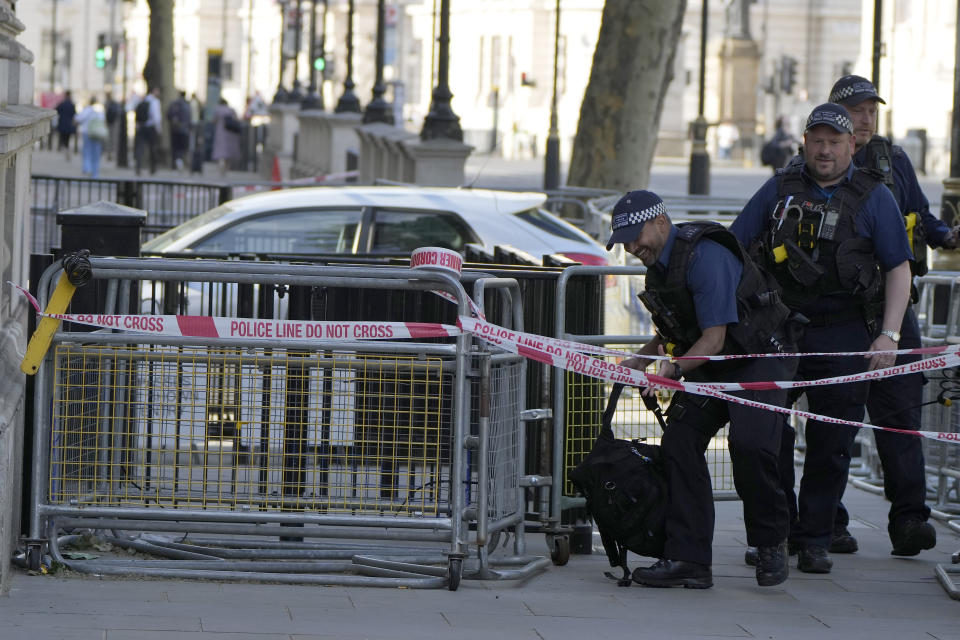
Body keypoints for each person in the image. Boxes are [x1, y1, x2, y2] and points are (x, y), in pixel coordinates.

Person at [731, 103, 912, 574]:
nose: (826, 150)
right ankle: (775, 532)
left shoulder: (875, 197)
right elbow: (733, 247)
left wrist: (889, 336)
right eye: (818, 140)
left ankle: (814, 537)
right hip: (780, 330)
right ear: (805, 143)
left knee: (832, 444)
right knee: (763, 437)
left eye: (836, 141)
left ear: (852, 145)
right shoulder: (778, 189)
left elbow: (898, 268)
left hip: (845, 332)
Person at [608, 189, 799, 589]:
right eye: (623, 240)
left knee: (750, 445)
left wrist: (673, 368)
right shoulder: (658, 266)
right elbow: (673, 331)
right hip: (712, 362)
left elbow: (713, 338)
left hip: (759, 357)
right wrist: (641, 361)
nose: (630, 246)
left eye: (634, 235)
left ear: (660, 222)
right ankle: (688, 557)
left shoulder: (704, 257)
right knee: (680, 442)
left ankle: (770, 542)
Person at [824, 74, 953, 556]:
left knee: (901, 418)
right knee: (834, 423)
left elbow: (921, 215)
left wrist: (949, 237)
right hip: (839, 315)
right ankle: (827, 521)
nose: (864, 117)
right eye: (856, 109)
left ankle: (909, 521)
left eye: (870, 110)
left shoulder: (893, 160)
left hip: (897, 312)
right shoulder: (818, 163)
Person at [74, 96, 107, 178]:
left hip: (87, 132)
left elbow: (78, 119)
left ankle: (87, 168)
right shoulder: (100, 110)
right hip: (97, 134)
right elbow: (103, 120)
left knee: (87, 151)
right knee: (96, 154)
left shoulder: (87, 110)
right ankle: (95, 173)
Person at [134, 87, 162, 176]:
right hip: (150, 127)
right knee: (152, 148)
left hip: (142, 127)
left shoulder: (143, 100)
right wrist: (158, 129)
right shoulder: (155, 102)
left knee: (140, 148)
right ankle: (153, 168)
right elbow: (156, 117)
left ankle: (138, 167)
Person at [212, 98, 242, 178]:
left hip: (221, 132)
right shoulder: (231, 110)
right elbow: (237, 119)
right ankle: (226, 168)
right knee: (229, 151)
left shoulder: (218, 110)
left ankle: (221, 165)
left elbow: (214, 120)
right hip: (231, 133)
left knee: (221, 150)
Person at [167, 90, 192, 171]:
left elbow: (168, 114)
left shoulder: (173, 104)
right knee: (182, 147)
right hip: (184, 129)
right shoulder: (187, 105)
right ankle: (180, 160)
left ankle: (175, 163)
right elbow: (189, 117)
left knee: (174, 146)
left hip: (174, 129)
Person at [55, 91, 77, 161]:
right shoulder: (72, 105)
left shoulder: (62, 104)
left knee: (62, 138)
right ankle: (66, 149)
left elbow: (56, 110)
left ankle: (64, 149)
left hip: (62, 124)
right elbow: (74, 114)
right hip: (69, 125)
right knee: (67, 139)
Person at [104, 88, 123, 162]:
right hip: (114, 123)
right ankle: (113, 154)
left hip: (109, 123)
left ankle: (110, 154)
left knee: (109, 139)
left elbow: (105, 114)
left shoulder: (107, 103)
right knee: (114, 139)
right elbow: (119, 112)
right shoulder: (114, 103)